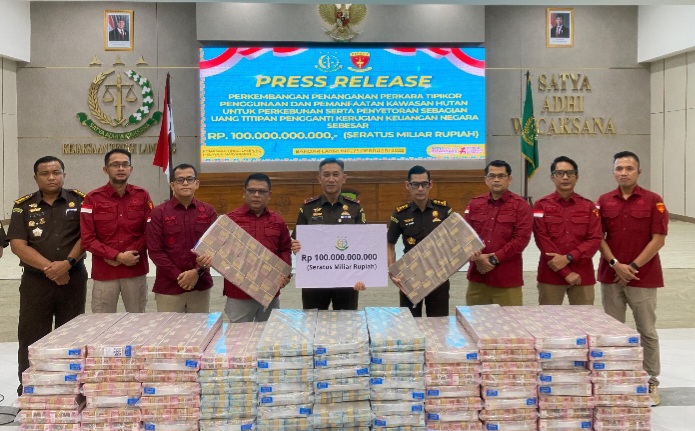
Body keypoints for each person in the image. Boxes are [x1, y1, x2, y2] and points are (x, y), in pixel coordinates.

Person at [7, 156, 87, 396]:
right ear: (35, 178)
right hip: (36, 282)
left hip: (73, 278)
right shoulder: (22, 206)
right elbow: (18, 245)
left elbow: (87, 236)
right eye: (45, 173)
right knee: (31, 336)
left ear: (64, 174)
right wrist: (51, 270)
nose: (51, 177)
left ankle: (70, 390)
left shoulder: (80, 201)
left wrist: (66, 265)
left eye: (56, 172)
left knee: (71, 335)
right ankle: (29, 390)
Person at [597, 150, 667, 406]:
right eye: (619, 168)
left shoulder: (653, 200)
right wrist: (616, 265)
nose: (624, 173)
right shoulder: (603, 201)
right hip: (611, 276)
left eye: (629, 168)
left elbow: (658, 239)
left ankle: (650, 380)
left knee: (646, 330)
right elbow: (598, 238)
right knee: (613, 332)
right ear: (613, 172)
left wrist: (633, 267)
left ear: (639, 171)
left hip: (643, 276)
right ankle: (617, 378)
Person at [80, 149, 152, 313]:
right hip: (105, 271)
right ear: (106, 169)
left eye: (125, 164)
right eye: (115, 165)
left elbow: (150, 232)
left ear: (131, 169)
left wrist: (128, 255)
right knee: (102, 322)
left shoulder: (142, 195)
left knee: (137, 320)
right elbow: (87, 239)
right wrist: (117, 256)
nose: (121, 168)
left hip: (134, 269)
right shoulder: (92, 198)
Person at [293, 158, 366, 310]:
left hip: (346, 279)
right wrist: (295, 246)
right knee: (313, 320)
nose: (331, 179)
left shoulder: (355, 208)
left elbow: (364, 244)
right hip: (314, 279)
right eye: (326, 175)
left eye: (335, 174)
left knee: (347, 320)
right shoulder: (307, 208)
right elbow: (296, 241)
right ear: (319, 178)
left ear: (343, 178)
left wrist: (363, 275)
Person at [146, 164, 217, 313]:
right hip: (169, 287)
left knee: (199, 327)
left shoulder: (208, 211)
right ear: (172, 185)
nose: (185, 183)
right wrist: (180, 276)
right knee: (169, 328)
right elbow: (155, 251)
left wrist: (196, 272)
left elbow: (214, 248)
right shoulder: (158, 213)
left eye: (190, 179)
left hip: (200, 285)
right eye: (180, 180)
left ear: (197, 183)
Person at [533, 156, 602, 305]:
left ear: (576, 177)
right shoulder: (540, 205)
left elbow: (595, 239)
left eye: (570, 173)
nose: (565, 177)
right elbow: (542, 240)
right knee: (549, 318)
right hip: (551, 274)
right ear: (552, 177)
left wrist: (569, 258)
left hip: (582, 274)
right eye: (559, 173)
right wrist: (565, 272)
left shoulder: (589, 206)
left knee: (584, 318)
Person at [224, 173, 292, 322]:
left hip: (269, 291)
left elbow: (285, 249)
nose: (256, 195)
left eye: (261, 191)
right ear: (244, 193)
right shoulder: (230, 220)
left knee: (267, 333)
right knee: (238, 335)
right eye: (251, 191)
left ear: (269, 195)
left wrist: (284, 273)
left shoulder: (278, 221)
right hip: (238, 292)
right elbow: (220, 252)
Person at [463, 160, 533, 306]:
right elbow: (465, 235)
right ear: (486, 180)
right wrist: (478, 259)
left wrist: (493, 259)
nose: (496, 180)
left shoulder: (521, 206)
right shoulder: (475, 204)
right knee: (476, 319)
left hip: (506, 279)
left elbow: (521, 239)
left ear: (509, 179)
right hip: (478, 277)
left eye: (501, 176)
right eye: (492, 176)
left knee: (509, 320)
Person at [387, 165, 452, 317]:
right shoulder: (400, 214)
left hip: (438, 276)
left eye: (424, 184)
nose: (420, 189)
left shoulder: (443, 210)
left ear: (431, 184)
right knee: (410, 323)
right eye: (415, 184)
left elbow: (455, 239)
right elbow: (390, 244)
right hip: (410, 277)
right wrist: (393, 271)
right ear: (408, 185)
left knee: (438, 323)